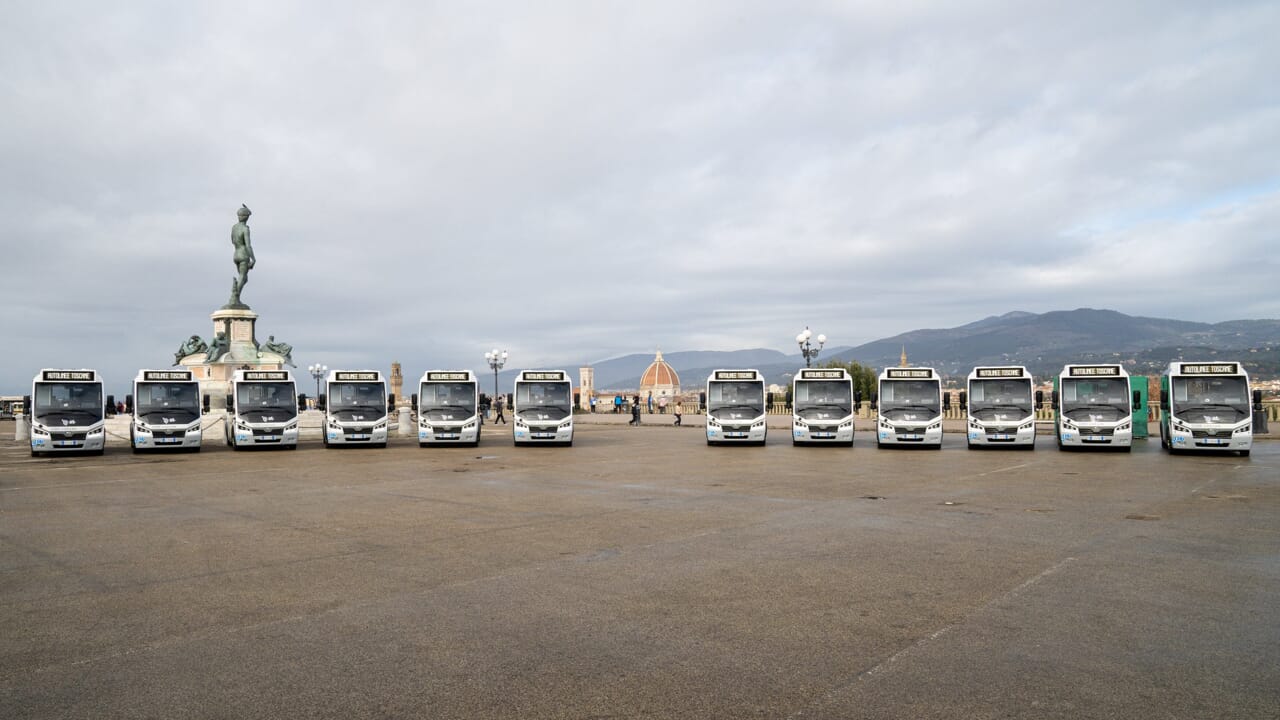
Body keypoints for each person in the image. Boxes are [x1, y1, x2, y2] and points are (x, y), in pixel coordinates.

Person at [228, 204, 256, 307]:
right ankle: (234, 298)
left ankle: (235, 291)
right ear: (246, 217)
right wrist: (253, 259)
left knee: (244, 278)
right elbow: (248, 245)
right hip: (244, 254)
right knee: (242, 276)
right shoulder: (245, 229)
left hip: (236, 254)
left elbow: (232, 241)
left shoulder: (234, 228)